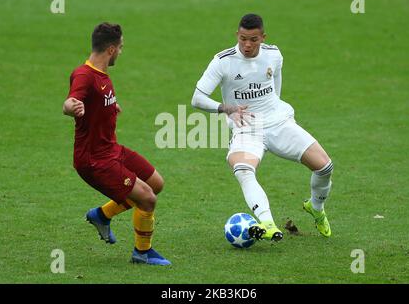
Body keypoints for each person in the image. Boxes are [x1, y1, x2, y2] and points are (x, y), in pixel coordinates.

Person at [191, 14, 333, 241]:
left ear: (262, 37)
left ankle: (316, 207)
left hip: (278, 123)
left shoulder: (274, 54)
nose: (247, 45)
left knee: (325, 167)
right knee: (243, 170)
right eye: (243, 39)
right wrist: (227, 109)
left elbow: (275, 88)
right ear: (237, 35)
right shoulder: (223, 61)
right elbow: (197, 98)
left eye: (253, 40)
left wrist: (274, 112)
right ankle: (267, 222)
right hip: (246, 128)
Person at [63, 22, 170, 265]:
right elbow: (70, 102)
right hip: (94, 160)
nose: (121, 52)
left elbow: (96, 101)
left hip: (112, 150)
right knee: (147, 199)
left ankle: (102, 215)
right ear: (111, 49)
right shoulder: (84, 75)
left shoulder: (101, 76)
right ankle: (142, 253)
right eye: (120, 48)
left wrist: (110, 107)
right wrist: (72, 107)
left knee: (156, 183)